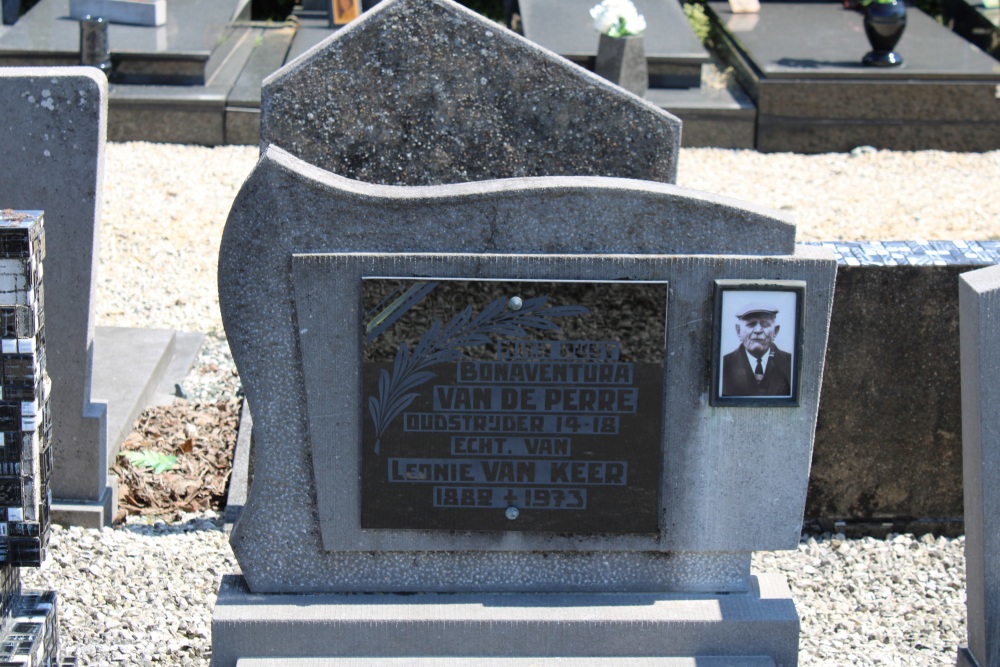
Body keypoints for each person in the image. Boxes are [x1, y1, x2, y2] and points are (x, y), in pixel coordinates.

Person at [720, 303, 792, 397]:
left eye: (765, 324)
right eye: (751, 324)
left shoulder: (790, 363)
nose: (758, 330)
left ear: (775, 331)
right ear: (738, 331)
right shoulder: (723, 365)